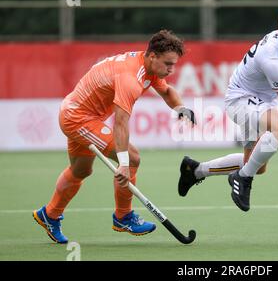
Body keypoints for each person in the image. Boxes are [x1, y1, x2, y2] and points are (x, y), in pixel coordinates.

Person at [33, 30, 196, 243]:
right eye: (168, 64)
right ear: (153, 56)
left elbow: (166, 92)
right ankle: (123, 217)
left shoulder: (148, 66)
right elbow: (120, 122)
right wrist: (124, 164)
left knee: (81, 170)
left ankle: (49, 214)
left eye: (174, 64)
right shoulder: (129, 77)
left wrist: (181, 108)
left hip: (79, 114)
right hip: (78, 119)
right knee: (133, 157)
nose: (171, 70)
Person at [178, 5, 278, 212]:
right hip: (241, 101)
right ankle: (243, 178)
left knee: (257, 164)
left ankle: (195, 170)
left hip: (263, 101)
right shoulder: (272, 58)